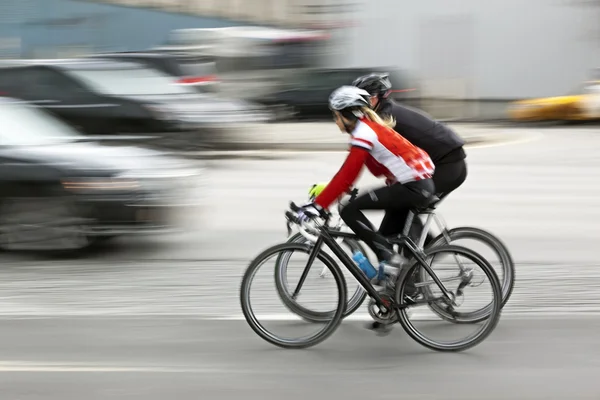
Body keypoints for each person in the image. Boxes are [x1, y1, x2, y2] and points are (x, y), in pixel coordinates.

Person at [296, 85, 436, 274]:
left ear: (348, 115)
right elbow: (357, 172)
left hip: (413, 188)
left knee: (347, 208)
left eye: (336, 116)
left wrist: (319, 205)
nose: (335, 121)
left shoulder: (365, 133)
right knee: (381, 239)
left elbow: (347, 176)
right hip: (414, 186)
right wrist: (329, 193)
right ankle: (402, 288)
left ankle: (394, 262)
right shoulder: (366, 131)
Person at [352, 73, 468, 244]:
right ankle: (416, 257)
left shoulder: (385, 119)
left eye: (367, 98)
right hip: (438, 162)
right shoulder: (381, 114)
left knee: (406, 206)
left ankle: (426, 253)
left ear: (379, 97)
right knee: (395, 216)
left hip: (448, 165)